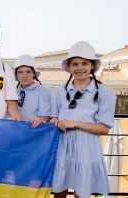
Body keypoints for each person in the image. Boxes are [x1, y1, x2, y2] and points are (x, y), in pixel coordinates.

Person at [50, 41, 116, 198]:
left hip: (87, 148)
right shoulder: (58, 92)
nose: (80, 68)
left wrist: (74, 123)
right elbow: (53, 117)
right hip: (62, 145)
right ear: (70, 67)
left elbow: (104, 128)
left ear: (92, 65)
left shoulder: (105, 93)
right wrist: (55, 122)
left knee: (83, 192)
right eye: (75, 64)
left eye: (84, 63)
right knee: (59, 190)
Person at [14, 54, 51, 127]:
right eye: (20, 72)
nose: (24, 76)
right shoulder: (14, 91)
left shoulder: (44, 92)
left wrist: (40, 119)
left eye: (28, 72)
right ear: (16, 75)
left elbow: (45, 117)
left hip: (33, 131)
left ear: (34, 73)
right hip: (15, 130)